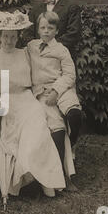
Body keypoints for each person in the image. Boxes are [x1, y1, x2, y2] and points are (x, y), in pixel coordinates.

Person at [0, 10, 69, 208]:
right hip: (4, 102)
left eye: (13, 36)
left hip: (26, 98)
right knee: (12, 130)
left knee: (37, 125)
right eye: (5, 36)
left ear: (18, 37)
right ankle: (27, 174)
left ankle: (43, 177)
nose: (9, 40)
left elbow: (45, 71)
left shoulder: (25, 54)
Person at [27, 0, 83, 148]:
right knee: (50, 112)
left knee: (68, 106)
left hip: (61, 63)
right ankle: (56, 146)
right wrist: (39, 45)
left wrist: (52, 44)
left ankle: (71, 144)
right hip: (40, 65)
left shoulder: (70, 7)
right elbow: (29, 35)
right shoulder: (36, 9)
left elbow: (73, 34)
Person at [27, 11, 80, 191]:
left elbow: (70, 74)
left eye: (50, 28)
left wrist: (57, 91)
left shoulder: (61, 49)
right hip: (41, 93)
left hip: (59, 88)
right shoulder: (31, 46)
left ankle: (71, 146)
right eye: (42, 27)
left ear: (57, 30)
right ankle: (59, 174)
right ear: (37, 29)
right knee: (57, 126)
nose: (46, 31)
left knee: (73, 113)